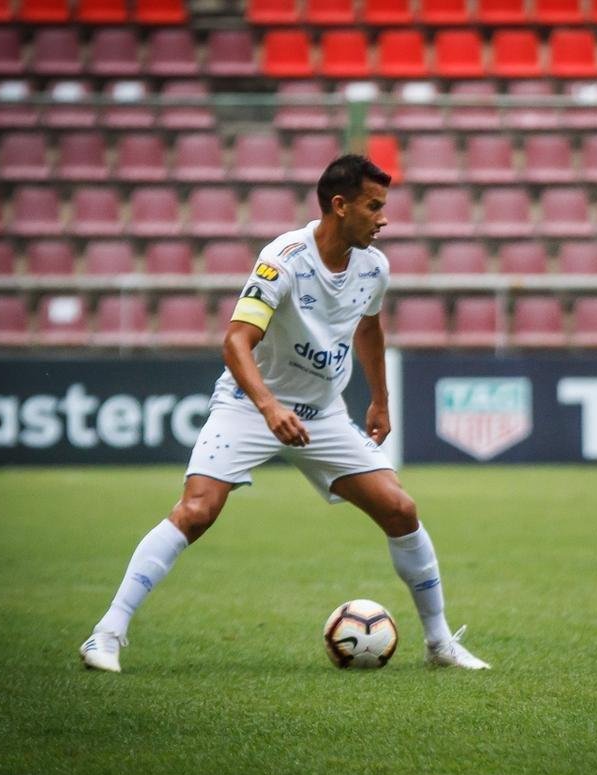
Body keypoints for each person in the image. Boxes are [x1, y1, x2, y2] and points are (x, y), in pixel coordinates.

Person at [80, 155, 489, 673]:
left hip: (321, 414)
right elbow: (235, 341)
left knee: (400, 511)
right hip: (250, 407)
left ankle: (439, 645)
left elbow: (369, 329)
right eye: (374, 206)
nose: (383, 219)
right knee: (197, 511)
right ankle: (106, 634)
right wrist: (268, 407)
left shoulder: (374, 266)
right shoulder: (284, 258)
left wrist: (380, 399)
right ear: (340, 206)